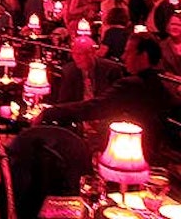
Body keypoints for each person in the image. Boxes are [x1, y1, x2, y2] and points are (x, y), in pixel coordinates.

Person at [34, 32, 176, 163]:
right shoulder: (160, 84)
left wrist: (50, 112)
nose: (123, 57)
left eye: (128, 52)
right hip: (154, 151)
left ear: (143, 56)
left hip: (132, 153)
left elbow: (94, 107)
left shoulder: (131, 85)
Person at [57, 36, 123, 104]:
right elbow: (64, 101)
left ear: (92, 53)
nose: (76, 58)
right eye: (74, 53)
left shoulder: (111, 69)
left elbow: (116, 99)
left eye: (80, 54)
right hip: (79, 110)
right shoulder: (68, 71)